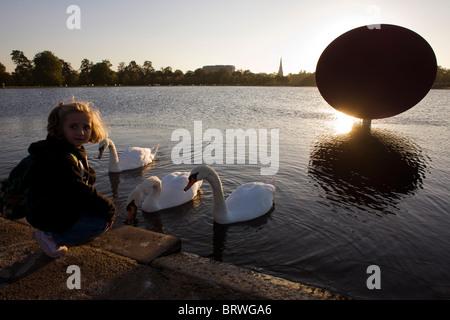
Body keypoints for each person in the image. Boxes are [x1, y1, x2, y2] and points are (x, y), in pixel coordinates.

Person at [26, 101, 115, 257]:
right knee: (102, 223)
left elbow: (80, 182)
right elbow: (78, 189)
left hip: (50, 206)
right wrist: (108, 207)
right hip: (45, 211)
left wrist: (89, 175)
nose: (81, 132)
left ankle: (54, 231)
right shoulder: (59, 157)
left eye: (86, 127)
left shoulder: (67, 148)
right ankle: (51, 237)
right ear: (60, 128)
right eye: (73, 126)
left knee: (95, 209)